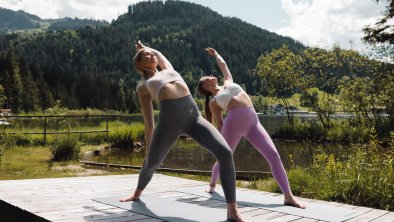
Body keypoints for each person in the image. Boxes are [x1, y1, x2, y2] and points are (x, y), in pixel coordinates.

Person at [120, 41, 246, 221]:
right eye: (147, 55)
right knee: (151, 163)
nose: (153, 55)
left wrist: (144, 48)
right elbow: (149, 122)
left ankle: (232, 210)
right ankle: (137, 193)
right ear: (139, 64)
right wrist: (149, 147)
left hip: (194, 119)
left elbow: (159, 53)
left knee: (225, 152)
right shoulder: (143, 86)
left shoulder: (167, 68)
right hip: (168, 124)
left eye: (152, 53)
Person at [197, 47, 305, 209]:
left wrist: (216, 54)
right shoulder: (213, 103)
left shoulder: (228, 82)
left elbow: (223, 65)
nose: (211, 75)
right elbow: (220, 123)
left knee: (274, 155)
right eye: (207, 77)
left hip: (253, 123)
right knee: (225, 157)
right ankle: (212, 185)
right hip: (233, 124)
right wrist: (219, 141)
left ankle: (288, 196)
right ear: (205, 86)